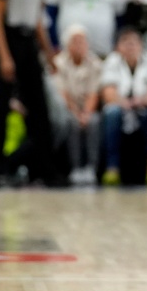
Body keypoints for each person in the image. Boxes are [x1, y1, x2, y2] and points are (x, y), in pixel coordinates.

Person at [0, 0, 57, 184]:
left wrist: (48, 52)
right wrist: (4, 56)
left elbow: (38, 19)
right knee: (2, 106)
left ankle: (46, 169)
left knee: (39, 107)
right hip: (10, 39)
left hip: (29, 40)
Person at [99, 27, 147, 186]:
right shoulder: (112, 61)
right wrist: (124, 103)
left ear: (141, 45)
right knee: (111, 112)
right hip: (121, 106)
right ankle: (112, 166)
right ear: (118, 46)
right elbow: (108, 93)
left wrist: (141, 101)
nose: (130, 47)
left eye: (133, 43)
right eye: (125, 43)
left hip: (145, 105)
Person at [53, 25, 104, 185]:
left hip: (87, 108)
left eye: (82, 41)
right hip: (67, 108)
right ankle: (75, 167)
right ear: (67, 44)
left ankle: (91, 167)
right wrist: (76, 113)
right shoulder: (58, 63)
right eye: (75, 41)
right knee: (71, 122)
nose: (80, 44)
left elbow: (93, 93)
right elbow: (63, 93)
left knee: (94, 122)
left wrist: (86, 114)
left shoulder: (94, 63)